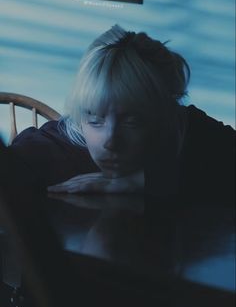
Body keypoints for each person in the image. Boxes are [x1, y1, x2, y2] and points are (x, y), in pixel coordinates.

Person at [7, 25, 235, 202]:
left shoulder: (188, 129)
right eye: (95, 119)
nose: (111, 141)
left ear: (163, 116)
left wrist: (142, 182)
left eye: (132, 121)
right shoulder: (54, 145)